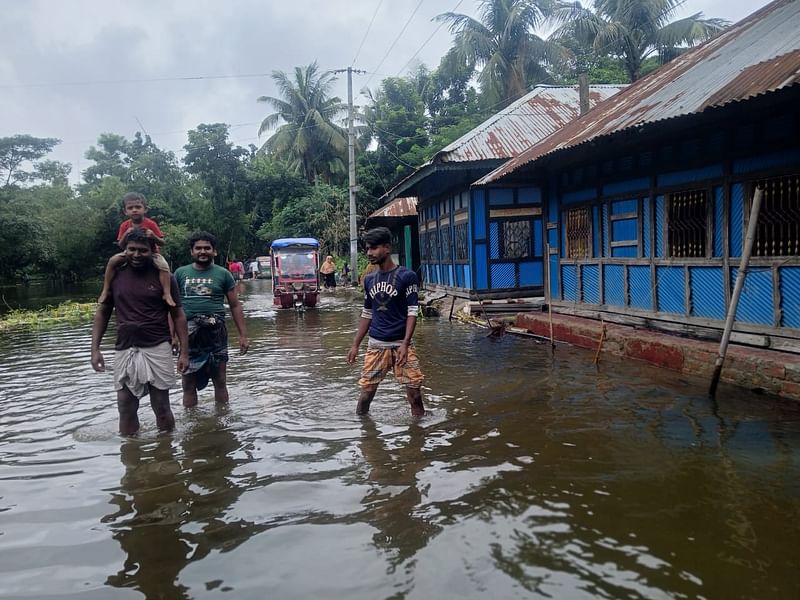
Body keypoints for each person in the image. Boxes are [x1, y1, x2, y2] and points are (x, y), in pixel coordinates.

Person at [90, 228, 189, 436]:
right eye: (131, 249)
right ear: (124, 250)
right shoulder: (116, 276)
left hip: (157, 345)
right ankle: (131, 457)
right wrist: (95, 349)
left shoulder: (165, 277)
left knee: (161, 407)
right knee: (125, 405)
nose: (136, 255)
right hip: (125, 347)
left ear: (152, 251)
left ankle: (166, 451)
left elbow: (178, 315)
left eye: (142, 250)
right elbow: (103, 313)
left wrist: (184, 352)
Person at [347, 227, 425, 417]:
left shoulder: (407, 276)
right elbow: (367, 313)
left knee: (414, 395)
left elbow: (412, 312)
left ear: (387, 248)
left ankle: (419, 437)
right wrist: (355, 344)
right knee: (366, 395)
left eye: (374, 248)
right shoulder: (369, 279)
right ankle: (365, 435)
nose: (369, 253)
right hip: (376, 345)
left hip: (401, 345)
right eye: (367, 249)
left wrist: (405, 343)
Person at [175, 231, 250, 407]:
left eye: (207, 248)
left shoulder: (223, 274)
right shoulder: (180, 274)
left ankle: (222, 422)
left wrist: (243, 335)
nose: (203, 251)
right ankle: (192, 424)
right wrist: (172, 336)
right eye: (198, 248)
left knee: (220, 381)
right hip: (189, 333)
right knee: (188, 383)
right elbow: (173, 308)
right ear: (191, 252)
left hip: (216, 331)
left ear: (214, 251)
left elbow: (235, 305)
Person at [97, 192, 176, 307]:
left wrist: (153, 236)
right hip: (129, 253)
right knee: (112, 261)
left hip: (152, 253)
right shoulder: (125, 225)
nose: (134, 210)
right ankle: (105, 290)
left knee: (164, 266)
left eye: (138, 207)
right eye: (130, 208)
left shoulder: (151, 224)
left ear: (145, 209)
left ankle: (167, 293)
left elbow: (162, 242)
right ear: (125, 211)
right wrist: (126, 235)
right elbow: (121, 245)